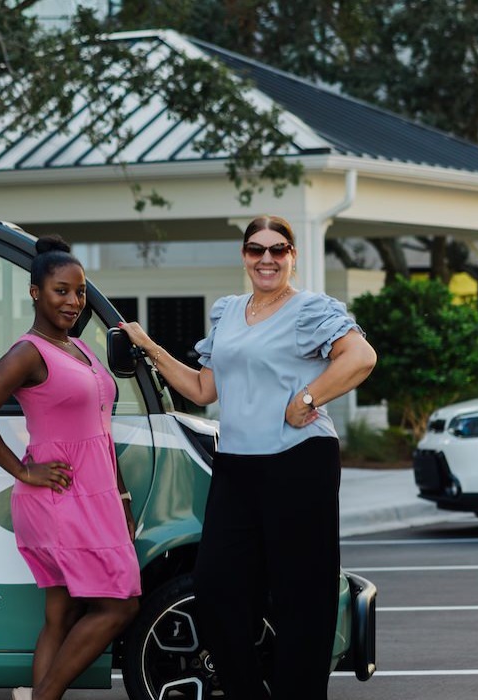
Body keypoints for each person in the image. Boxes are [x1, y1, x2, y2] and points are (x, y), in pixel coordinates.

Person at [119, 214, 377, 699]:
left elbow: (361, 358)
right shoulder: (229, 312)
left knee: (300, 599)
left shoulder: (309, 310)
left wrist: (306, 399)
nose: (267, 259)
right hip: (236, 466)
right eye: (256, 249)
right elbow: (202, 386)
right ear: (244, 256)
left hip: (299, 462)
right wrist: (149, 346)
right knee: (217, 590)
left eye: (278, 249)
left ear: (292, 256)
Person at [0, 235, 141, 700]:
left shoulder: (78, 348)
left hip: (95, 495)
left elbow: (100, 431)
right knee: (120, 605)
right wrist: (22, 471)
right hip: (60, 498)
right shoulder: (29, 351)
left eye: (79, 292)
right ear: (35, 293)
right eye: (61, 290)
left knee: (60, 614)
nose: (74, 301)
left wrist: (120, 496)